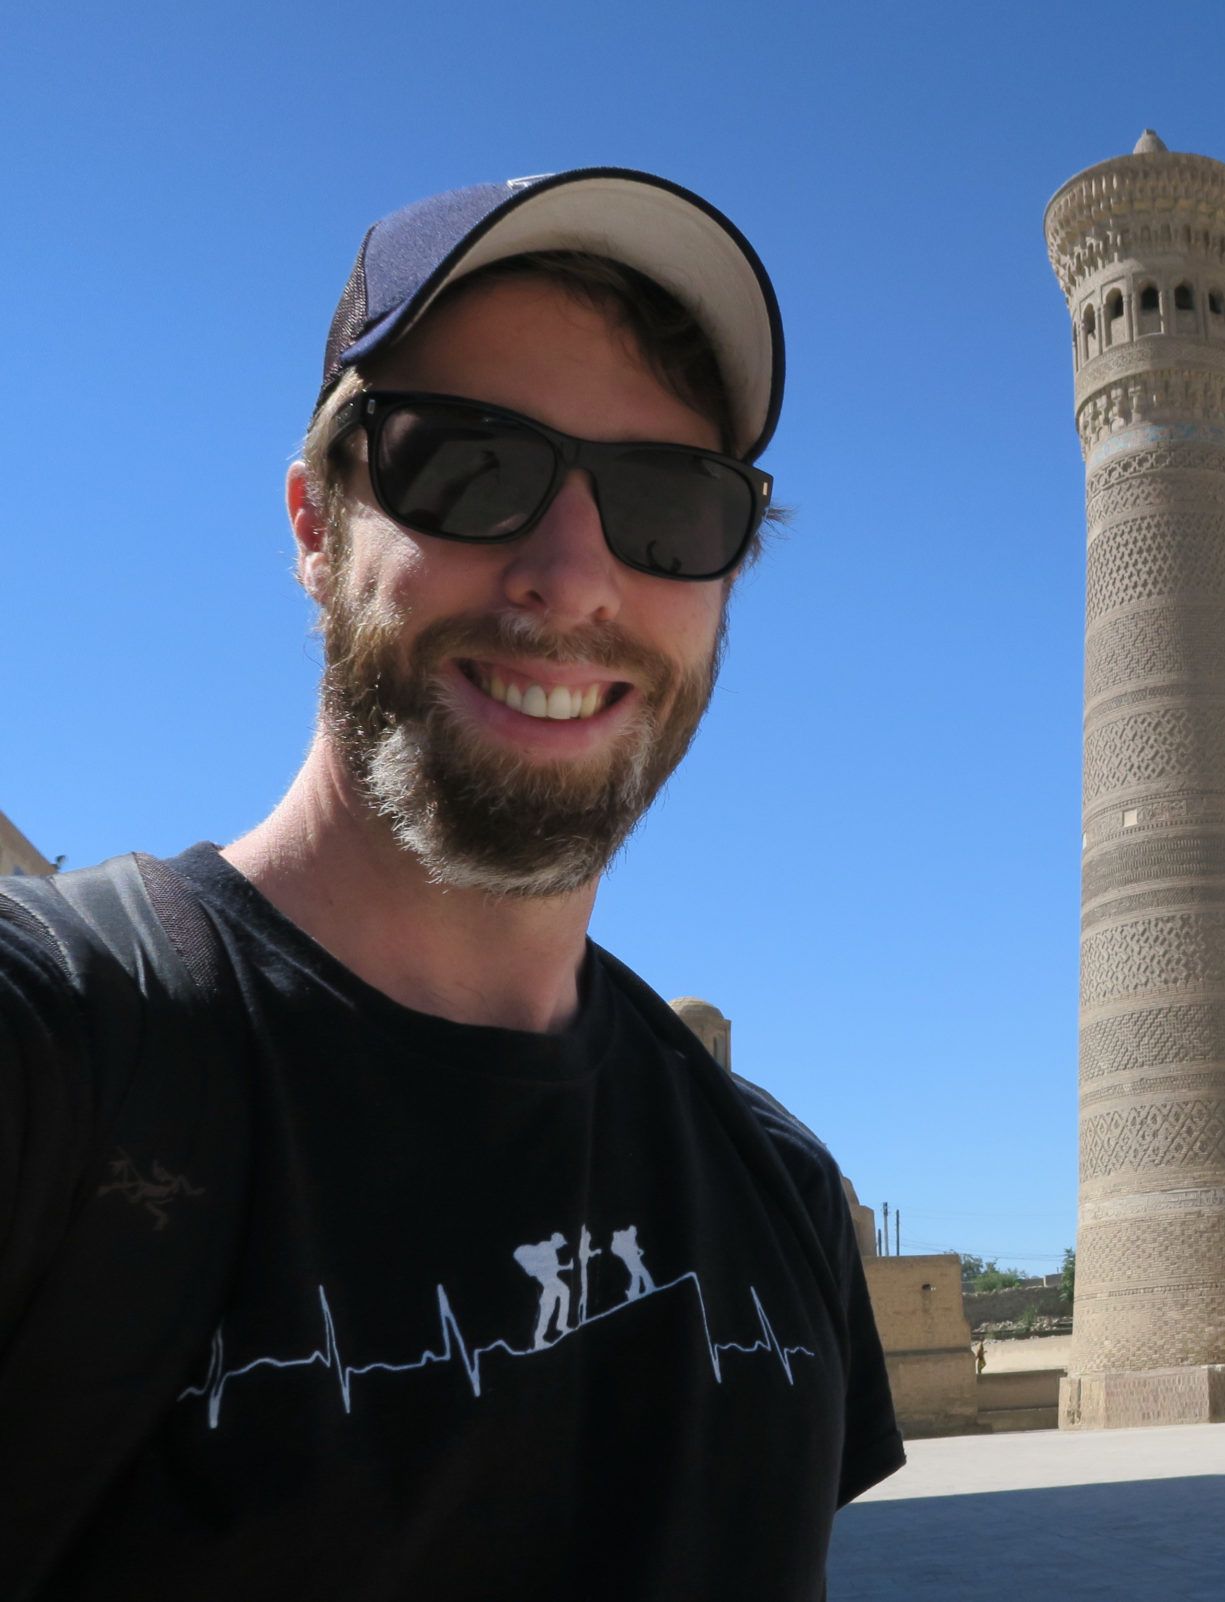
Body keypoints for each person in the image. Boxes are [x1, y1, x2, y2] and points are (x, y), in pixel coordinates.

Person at [0, 170, 901, 1599]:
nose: (574, 576)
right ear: (315, 522)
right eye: (473, 467)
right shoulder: (62, 1049)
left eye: (668, 504)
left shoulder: (777, 1196)